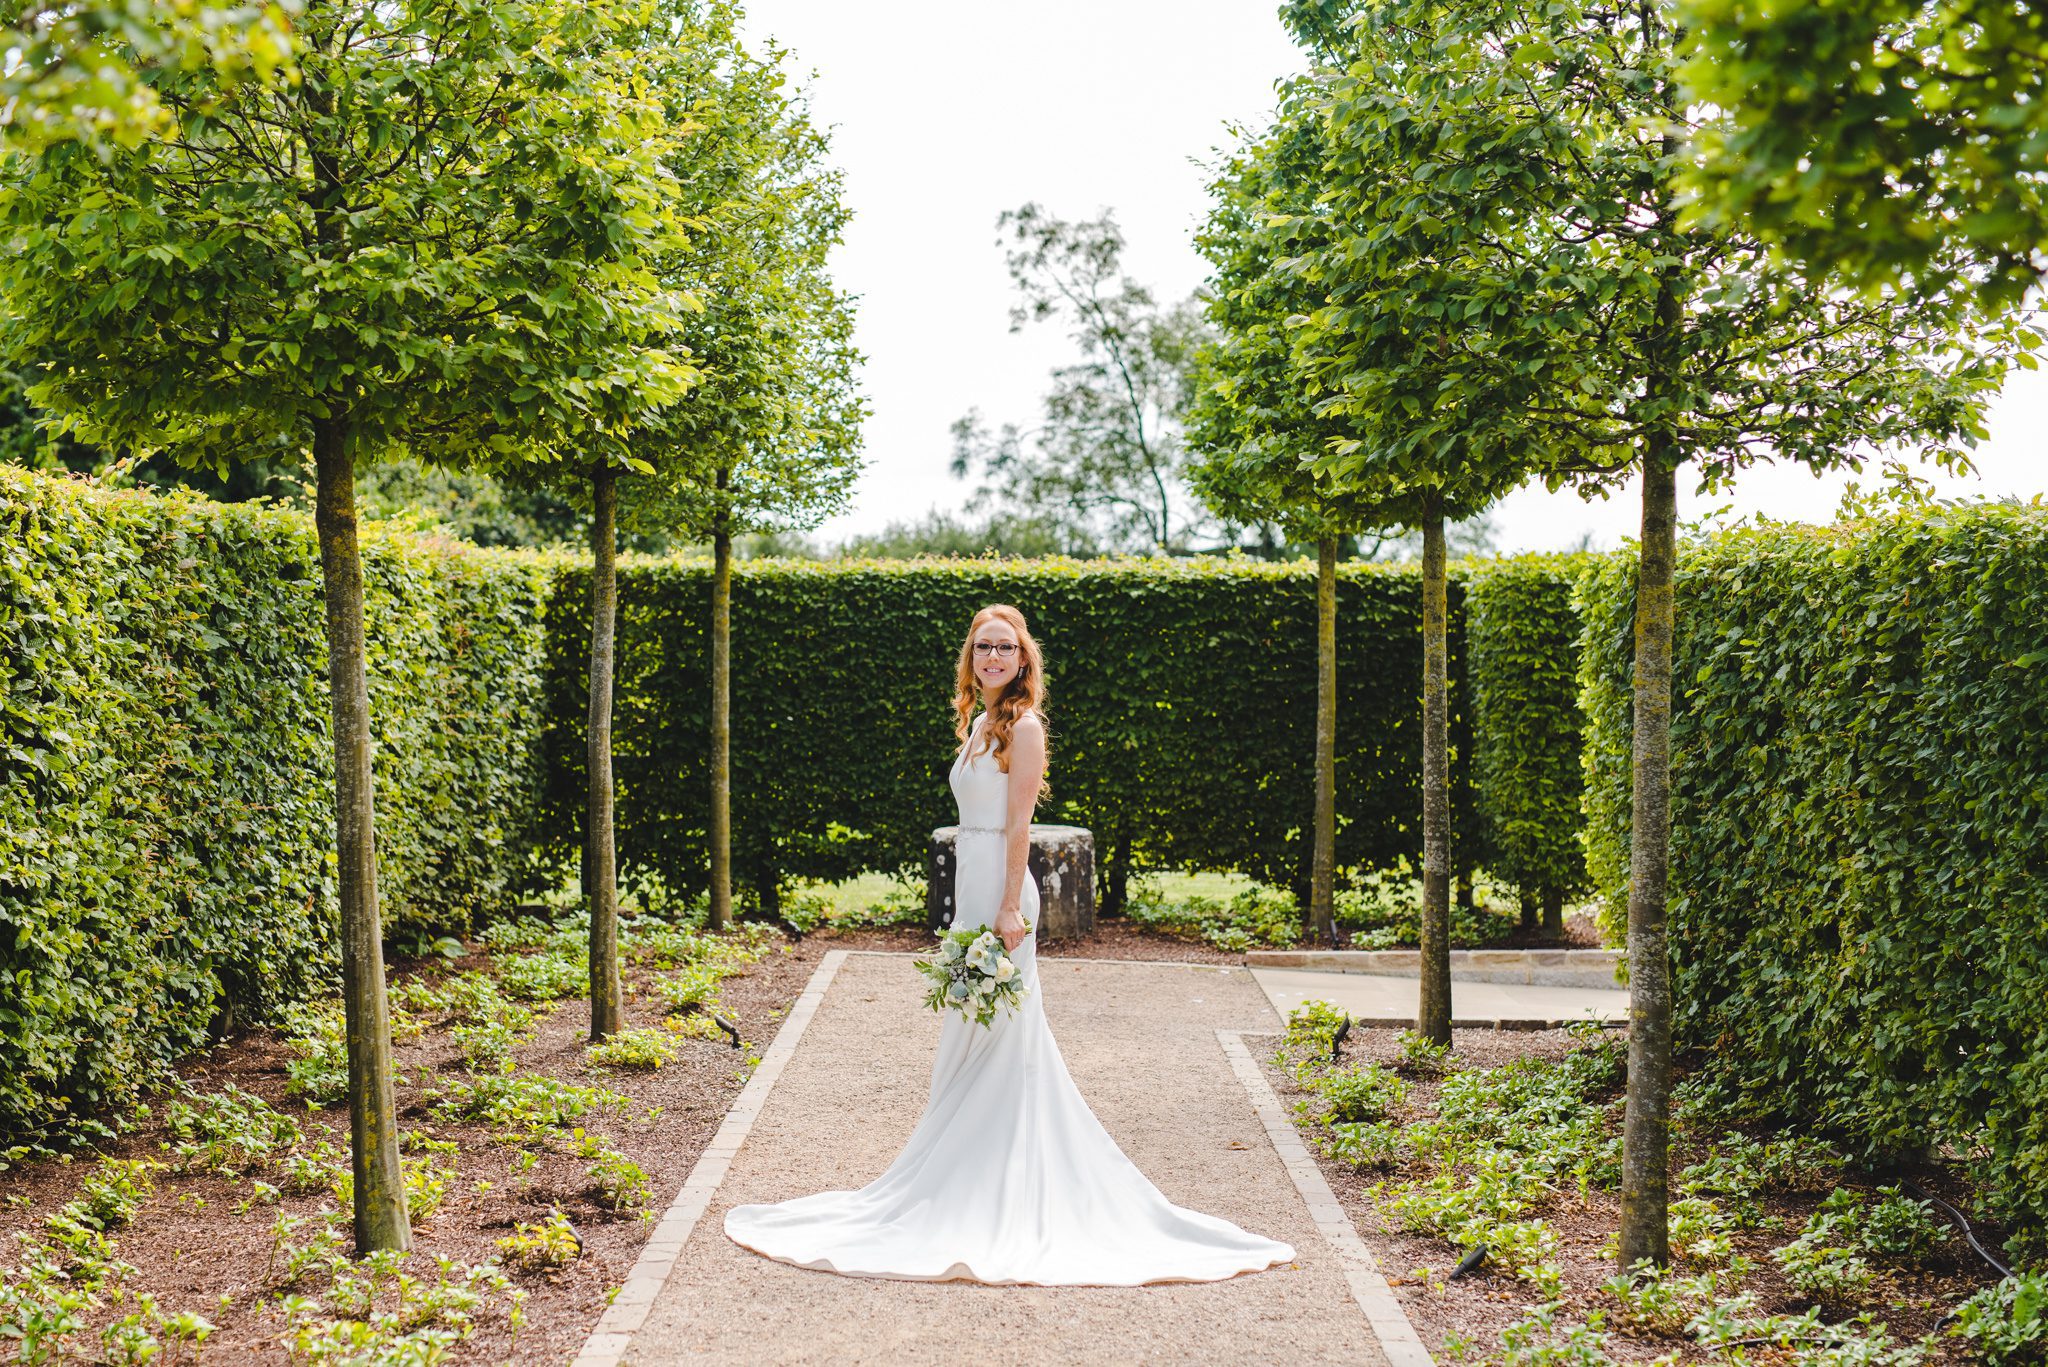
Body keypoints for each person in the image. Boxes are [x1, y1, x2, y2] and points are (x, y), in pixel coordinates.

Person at [722, 604, 1295, 1286]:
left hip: (1000, 889)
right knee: (970, 1024)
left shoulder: (1022, 728)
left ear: (1024, 659)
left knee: (1004, 1029)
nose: (993, 656)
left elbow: (1019, 824)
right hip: (972, 881)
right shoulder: (976, 726)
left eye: (1005, 647)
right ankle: (957, 1162)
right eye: (983, 646)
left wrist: (1004, 909)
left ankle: (996, 1172)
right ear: (971, 658)